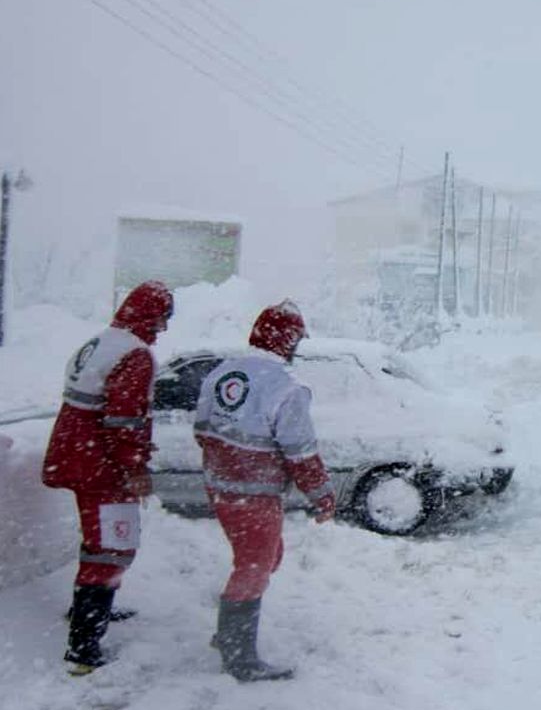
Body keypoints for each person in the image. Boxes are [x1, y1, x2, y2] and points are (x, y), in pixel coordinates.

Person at [193, 300, 335, 682]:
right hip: (254, 494)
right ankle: (238, 656)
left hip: (220, 488)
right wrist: (321, 495)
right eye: (295, 340)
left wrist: (224, 463)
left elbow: (202, 428)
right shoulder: (286, 388)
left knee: (266, 558)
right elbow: (301, 452)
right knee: (255, 566)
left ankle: (228, 634)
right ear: (287, 340)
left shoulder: (222, 372)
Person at [42, 280, 174, 675]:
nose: (164, 327)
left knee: (98, 541)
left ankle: (89, 608)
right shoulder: (135, 355)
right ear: (149, 314)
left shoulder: (100, 341)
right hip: (101, 465)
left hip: (76, 454)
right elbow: (124, 421)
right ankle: (83, 648)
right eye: (164, 318)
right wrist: (134, 469)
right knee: (111, 547)